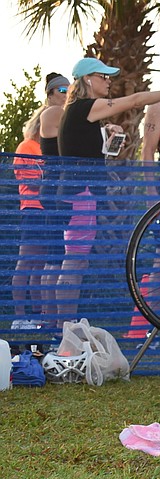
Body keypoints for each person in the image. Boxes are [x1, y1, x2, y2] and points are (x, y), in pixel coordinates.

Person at [57, 57, 160, 325]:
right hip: (80, 195)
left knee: (74, 261)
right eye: (103, 76)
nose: (108, 81)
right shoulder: (85, 106)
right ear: (88, 79)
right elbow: (136, 100)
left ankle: (62, 326)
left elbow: (87, 149)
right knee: (73, 262)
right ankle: (63, 328)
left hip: (80, 193)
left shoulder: (82, 111)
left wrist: (107, 136)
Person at [38, 72, 71, 326]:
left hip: (56, 189)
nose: (66, 93)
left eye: (68, 89)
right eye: (61, 90)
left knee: (54, 258)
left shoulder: (57, 114)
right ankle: (54, 321)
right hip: (56, 190)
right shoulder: (54, 113)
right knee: (56, 259)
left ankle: (50, 320)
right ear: (49, 94)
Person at [11, 106, 47, 328]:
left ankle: (36, 315)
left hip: (47, 210)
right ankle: (18, 316)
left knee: (40, 265)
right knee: (25, 262)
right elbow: (31, 181)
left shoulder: (45, 147)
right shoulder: (26, 146)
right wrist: (49, 180)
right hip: (32, 209)